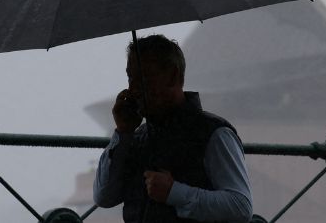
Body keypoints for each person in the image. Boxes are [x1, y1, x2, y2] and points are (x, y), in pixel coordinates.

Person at [94, 34, 253, 222]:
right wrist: (122, 133)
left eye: (144, 78)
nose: (134, 88)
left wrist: (174, 192)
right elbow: (104, 196)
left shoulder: (213, 134)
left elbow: (240, 207)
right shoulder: (137, 138)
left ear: (173, 76)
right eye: (130, 77)